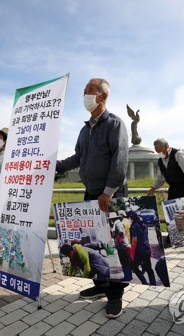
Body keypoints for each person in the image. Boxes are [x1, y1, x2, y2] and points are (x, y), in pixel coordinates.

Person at [56, 78, 129, 318]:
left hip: (110, 194)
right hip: (91, 194)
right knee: (93, 242)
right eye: (84, 91)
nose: (85, 95)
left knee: (112, 245)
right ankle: (100, 285)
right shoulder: (85, 129)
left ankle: (115, 295)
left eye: (90, 91)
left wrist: (108, 192)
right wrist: (55, 166)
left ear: (103, 96)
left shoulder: (115, 124)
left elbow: (120, 161)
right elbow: (78, 157)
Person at [127, 210, 156, 286]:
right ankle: (153, 283)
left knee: (134, 267)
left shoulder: (133, 227)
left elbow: (134, 241)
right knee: (149, 268)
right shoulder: (143, 225)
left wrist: (132, 254)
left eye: (128, 218)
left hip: (139, 251)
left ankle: (144, 282)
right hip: (146, 249)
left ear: (131, 218)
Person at [108, 212, 132, 281]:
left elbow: (120, 232)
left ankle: (127, 277)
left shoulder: (117, 223)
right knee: (126, 262)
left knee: (124, 262)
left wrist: (117, 238)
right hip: (123, 245)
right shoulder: (118, 222)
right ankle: (129, 276)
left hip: (122, 246)